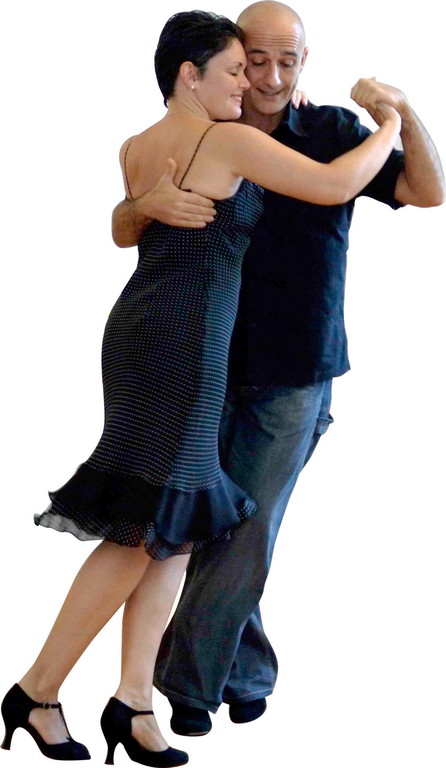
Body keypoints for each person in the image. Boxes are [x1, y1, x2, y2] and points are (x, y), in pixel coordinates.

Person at [110, 1, 445, 737]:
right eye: (252, 60)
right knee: (207, 523)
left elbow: (428, 191)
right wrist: (141, 207)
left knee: (247, 527)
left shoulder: (331, 131)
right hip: (200, 358)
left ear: (304, 62)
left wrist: (400, 113)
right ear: (226, 62)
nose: (267, 76)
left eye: (285, 61)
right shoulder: (203, 130)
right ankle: (246, 669)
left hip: (296, 366)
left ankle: (185, 688)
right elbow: (125, 221)